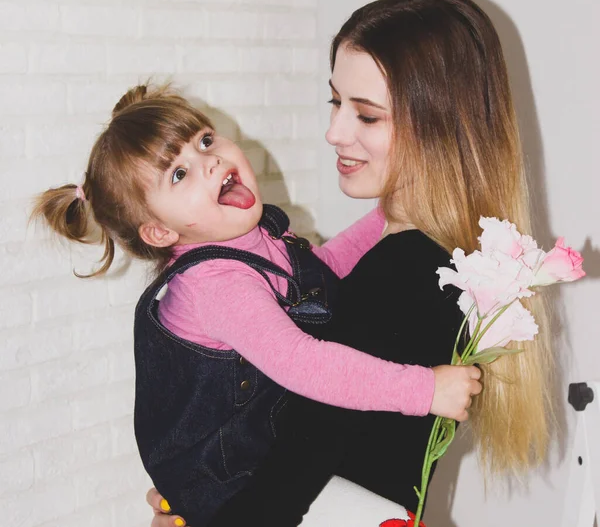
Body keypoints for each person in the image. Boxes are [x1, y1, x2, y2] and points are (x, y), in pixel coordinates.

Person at [146, 0, 554, 526]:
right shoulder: (452, 261)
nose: (334, 131)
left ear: (438, 125)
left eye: (366, 115)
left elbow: (294, 473)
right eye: (335, 101)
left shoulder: (405, 269)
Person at [30, 83, 480, 525]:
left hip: (261, 455)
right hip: (230, 482)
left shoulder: (256, 237)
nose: (211, 162)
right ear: (161, 233)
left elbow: (321, 272)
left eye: (205, 141)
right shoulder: (214, 284)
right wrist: (424, 391)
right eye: (179, 174)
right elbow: (302, 363)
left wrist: (390, 212)